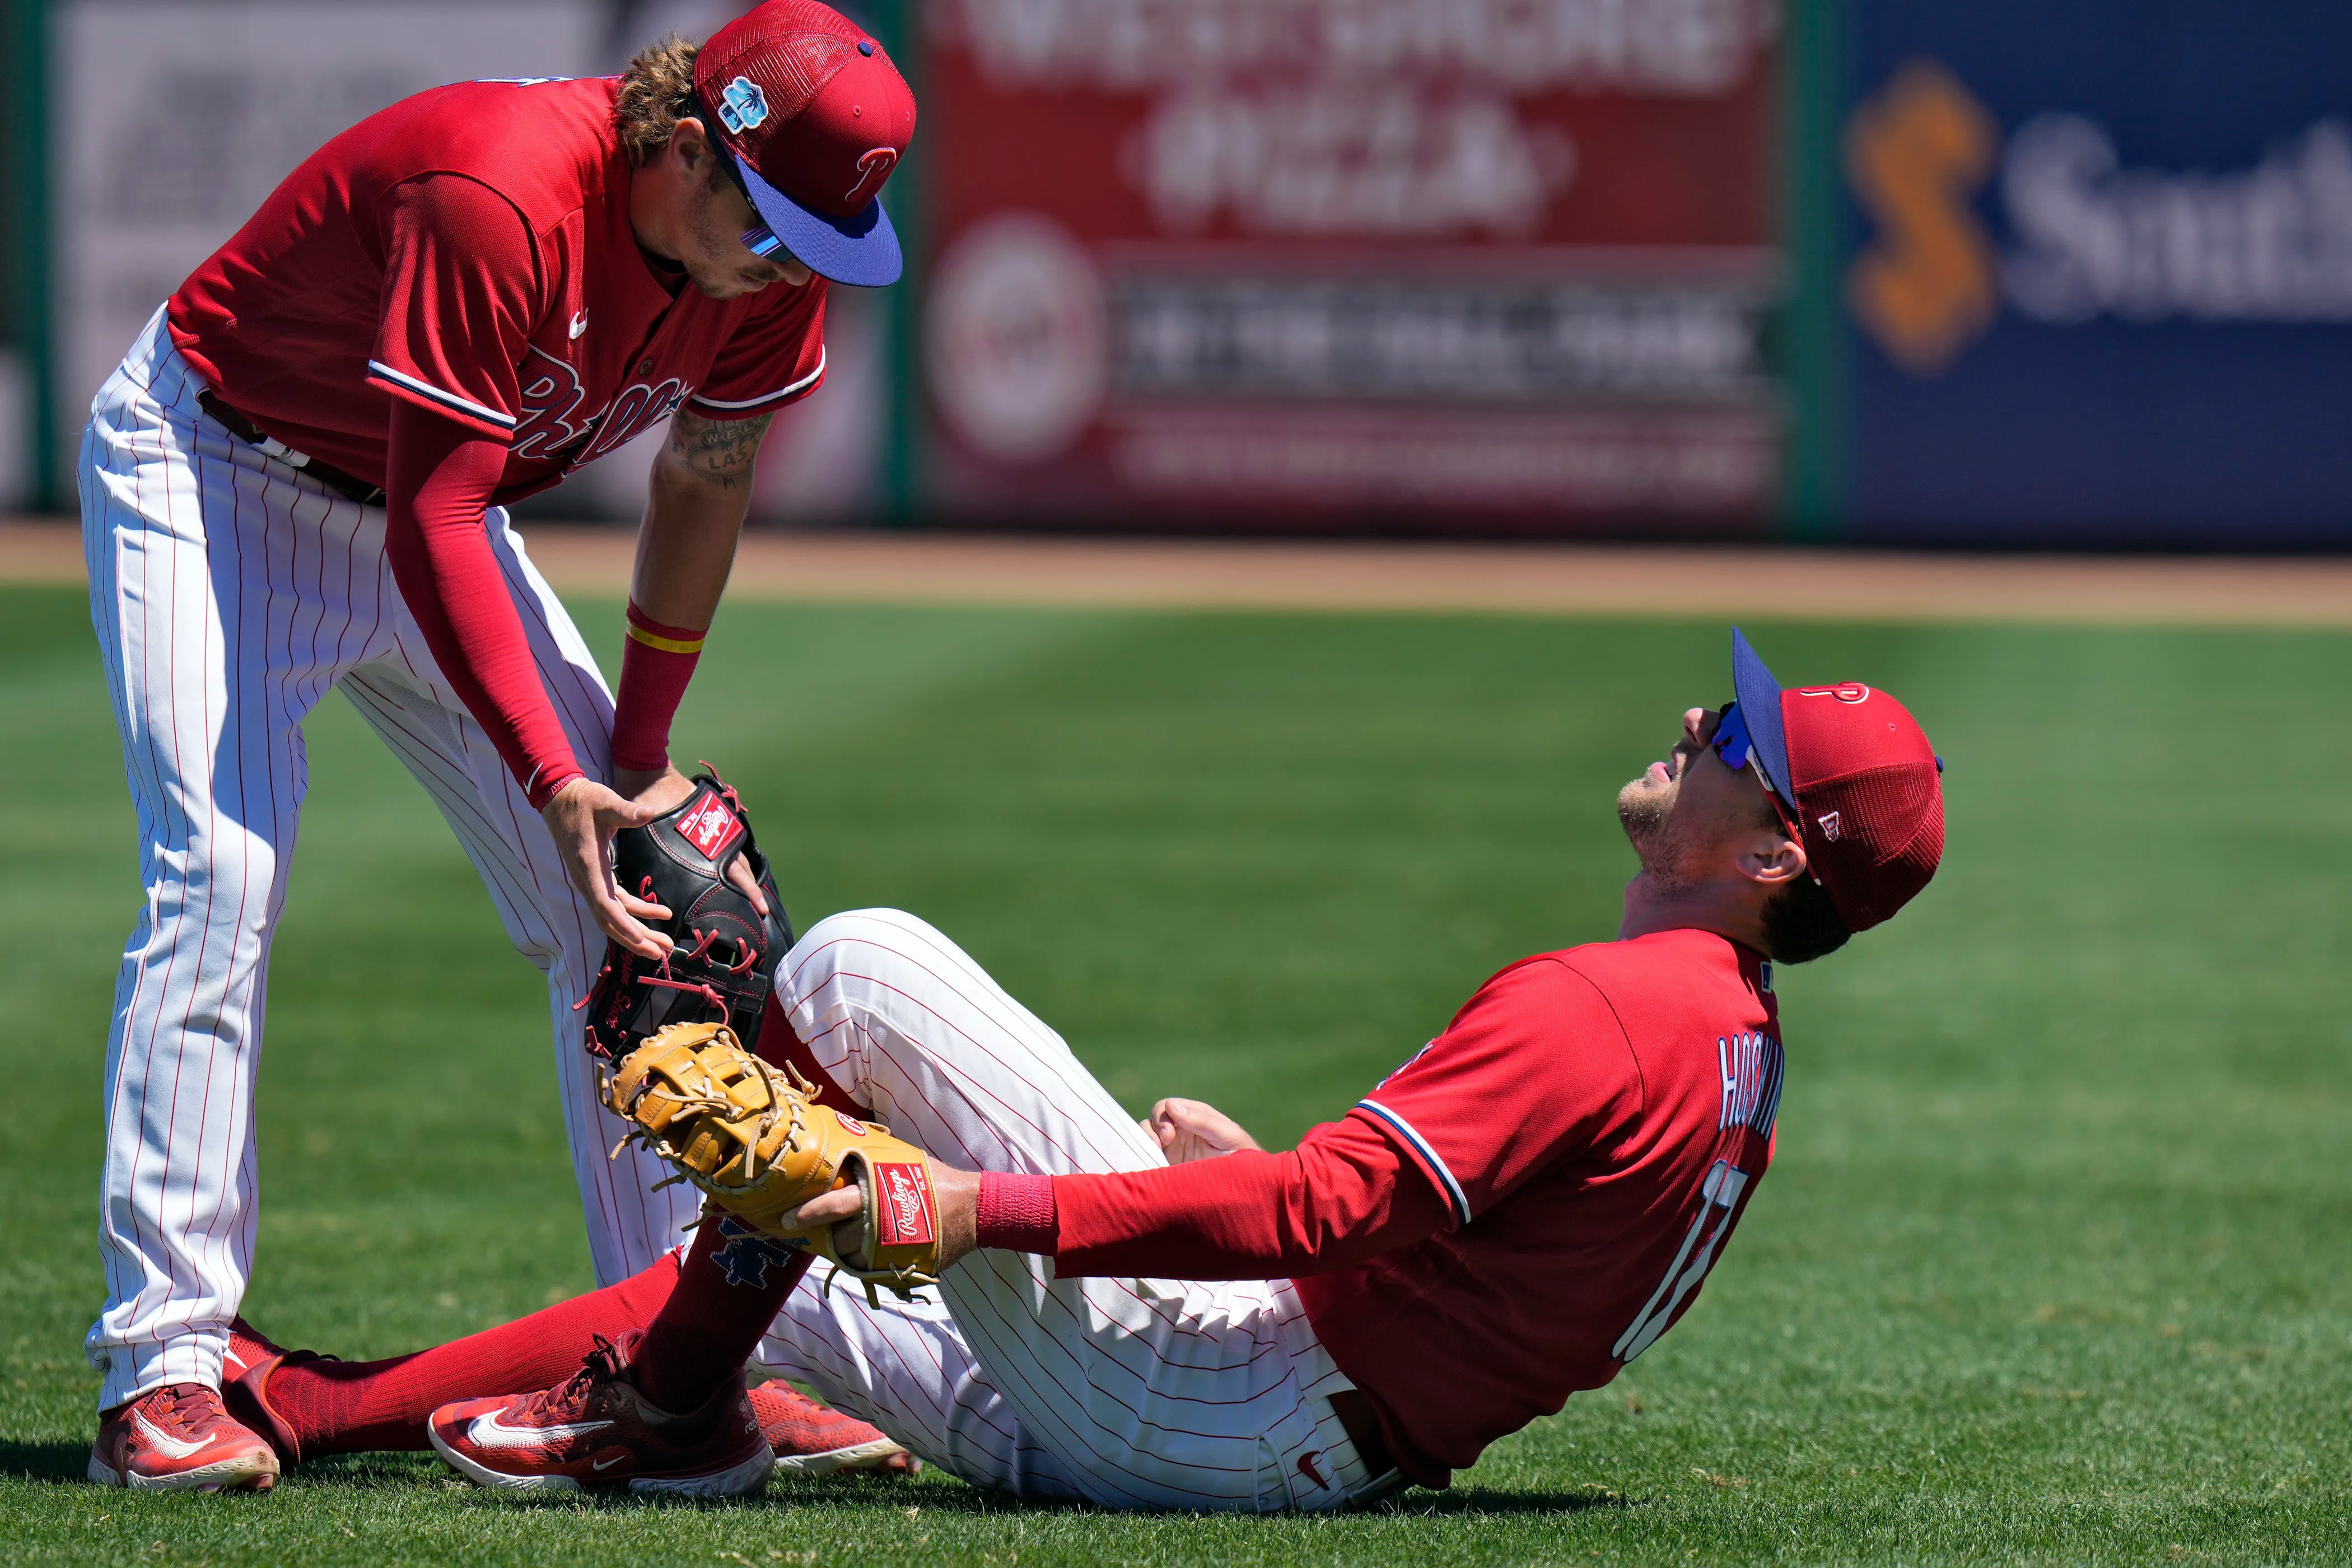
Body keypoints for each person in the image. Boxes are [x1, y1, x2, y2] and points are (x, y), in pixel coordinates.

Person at [213, 631, 1947, 1508]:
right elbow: (1491, 1267)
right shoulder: (1726, 1039)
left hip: (1228, 1409)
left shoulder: (1613, 1006)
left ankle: (668, 1409)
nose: (1704, 729)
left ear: (1773, 856)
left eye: (1742, 746)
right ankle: (322, 1404)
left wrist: (976, 1206)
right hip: (1310, 1420)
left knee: (855, 970)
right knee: (761, 1281)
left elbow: (1321, 1202)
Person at [79, 1, 918, 1491]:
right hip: (212, 465)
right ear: (680, 144)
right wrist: (554, 779)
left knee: (641, 911)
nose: (792, 259)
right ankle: (163, 1375)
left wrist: (635, 766)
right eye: (778, 221)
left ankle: (683, 1375)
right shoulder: (502, 186)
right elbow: (438, 513)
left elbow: (706, 484)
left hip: (427, 516)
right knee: (218, 875)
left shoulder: (763, 262)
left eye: (820, 235)